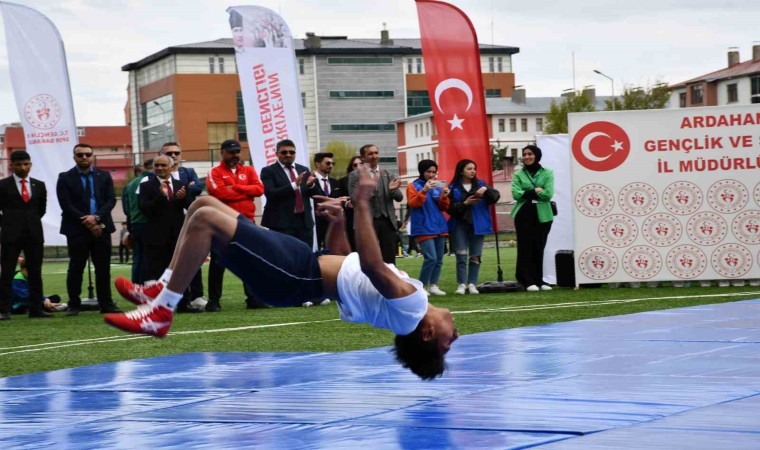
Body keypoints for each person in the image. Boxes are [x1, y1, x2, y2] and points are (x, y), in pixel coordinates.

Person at [105, 166, 459, 380]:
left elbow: (372, 264)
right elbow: (348, 263)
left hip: (295, 275)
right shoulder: (405, 309)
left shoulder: (411, 311)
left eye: (447, 343)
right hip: (304, 264)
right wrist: (339, 223)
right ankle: (164, 287)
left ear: (427, 335)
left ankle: (163, 309)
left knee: (206, 220)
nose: (455, 335)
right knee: (202, 204)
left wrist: (363, 201)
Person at [56, 143, 122, 316]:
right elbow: (66, 204)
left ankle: (106, 304)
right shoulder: (65, 177)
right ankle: (74, 304)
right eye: (80, 155)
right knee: (76, 267)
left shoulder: (104, 176)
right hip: (76, 228)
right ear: (74, 158)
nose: (84, 157)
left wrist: (96, 217)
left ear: (92, 156)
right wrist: (87, 221)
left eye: (87, 154)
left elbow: (110, 200)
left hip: (101, 227)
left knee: (103, 268)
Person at [133, 155, 202, 313]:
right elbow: (144, 208)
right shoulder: (146, 186)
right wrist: (161, 196)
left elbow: (190, 206)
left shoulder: (180, 185)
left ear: (171, 167)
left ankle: (183, 303)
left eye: (163, 165)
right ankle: (156, 305)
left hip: (177, 235)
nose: (159, 168)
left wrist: (183, 198)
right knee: (154, 271)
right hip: (155, 236)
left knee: (180, 269)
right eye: (157, 165)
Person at [204, 139, 266, 312]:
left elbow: (259, 190)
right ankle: (214, 301)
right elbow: (220, 193)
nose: (235, 155)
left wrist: (236, 187)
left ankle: (253, 299)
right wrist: (246, 191)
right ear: (222, 153)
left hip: (247, 223)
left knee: (249, 261)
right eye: (231, 152)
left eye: (237, 152)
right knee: (218, 263)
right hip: (222, 223)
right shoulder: (214, 172)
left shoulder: (249, 170)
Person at [0, 150, 49, 320]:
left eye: (26, 164)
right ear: (12, 165)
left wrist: (30, 223)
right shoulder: (3, 185)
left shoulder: (39, 185)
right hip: (10, 235)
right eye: (19, 164)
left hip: (34, 235)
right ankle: (4, 310)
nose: (23, 167)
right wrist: (8, 223)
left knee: (35, 272)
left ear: (30, 164)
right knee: (7, 272)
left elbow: (41, 210)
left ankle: (36, 309)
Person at [161, 142, 206, 306]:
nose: (173, 155)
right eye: (169, 153)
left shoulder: (188, 172)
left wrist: (184, 189)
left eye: (176, 152)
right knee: (170, 260)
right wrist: (187, 187)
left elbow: (198, 187)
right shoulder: (159, 174)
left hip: (189, 221)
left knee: (194, 257)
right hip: (168, 223)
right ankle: (173, 297)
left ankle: (197, 295)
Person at [447, 159, 500, 295]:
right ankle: (461, 284)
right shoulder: (452, 187)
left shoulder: (481, 184)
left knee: (475, 255)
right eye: (469, 169)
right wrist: (465, 203)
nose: (473, 171)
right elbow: (450, 209)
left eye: (474, 168)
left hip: (478, 224)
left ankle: (472, 284)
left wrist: (486, 190)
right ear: (461, 171)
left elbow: (495, 197)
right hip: (459, 224)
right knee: (461, 255)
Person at [511, 144, 555, 292]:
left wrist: (527, 193)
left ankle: (538, 280)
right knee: (525, 247)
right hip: (524, 213)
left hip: (543, 214)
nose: (527, 157)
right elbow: (516, 194)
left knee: (539, 247)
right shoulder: (518, 174)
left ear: (536, 155)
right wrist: (535, 190)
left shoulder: (547, 172)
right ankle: (527, 280)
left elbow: (548, 194)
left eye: (530, 154)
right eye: (524, 154)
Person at [349, 144, 403, 264]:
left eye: (376, 153)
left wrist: (392, 190)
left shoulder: (387, 174)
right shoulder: (355, 175)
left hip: (387, 221)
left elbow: (399, 198)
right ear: (363, 157)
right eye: (370, 154)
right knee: (368, 258)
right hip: (366, 221)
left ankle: (390, 276)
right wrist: (369, 189)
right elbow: (354, 199)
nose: (374, 156)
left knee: (390, 259)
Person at [407, 160, 450, 296]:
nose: (431, 175)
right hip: (423, 227)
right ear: (422, 172)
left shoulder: (438, 186)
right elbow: (413, 203)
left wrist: (445, 196)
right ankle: (421, 286)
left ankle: (433, 285)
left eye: (434, 172)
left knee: (439, 259)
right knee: (431, 258)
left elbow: (444, 207)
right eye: (428, 172)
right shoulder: (412, 186)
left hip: (439, 226)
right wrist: (424, 190)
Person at [260, 139, 316, 246]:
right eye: (284, 152)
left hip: (304, 222)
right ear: (277, 154)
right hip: (281, 224)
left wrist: (311, 185)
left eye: (291, 152)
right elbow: (271, 194)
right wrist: (294, 185)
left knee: (305, 254)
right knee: (285, 255)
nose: (288, 155)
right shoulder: (268, 171)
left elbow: (313, 194)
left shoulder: (303, 169)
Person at [122, 159, 154, 284]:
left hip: (135, 224)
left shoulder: (130, 185)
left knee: (138, 257)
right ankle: (148, 286)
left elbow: (126, 209)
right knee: (150, 258)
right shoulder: (152, 180)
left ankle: (136, 286)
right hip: (149, 224)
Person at [311, 152, 343, 250]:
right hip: (314, 224)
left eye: (332, 163)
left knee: (331, 252)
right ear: (317, 164)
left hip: (331, 224)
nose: (331, 166)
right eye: (328, 163)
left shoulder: (335, 182)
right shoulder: (309, 181)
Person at [337, 155, 362, 251]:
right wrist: (347, 203)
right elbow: (340, 199)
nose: (358, 167)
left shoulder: (371, 179)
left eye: (361, 164)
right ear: (351, 167)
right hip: (351, 218)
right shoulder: (343, 181)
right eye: (355, 165)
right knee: (353, 245)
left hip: (368, 217)